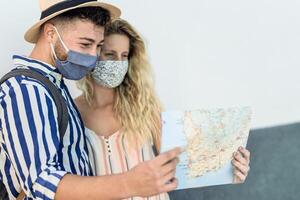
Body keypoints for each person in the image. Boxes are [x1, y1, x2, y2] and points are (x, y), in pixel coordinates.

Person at [0, 1, 181, 200]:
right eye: (85, 44)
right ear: (51, 33)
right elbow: (41, 183)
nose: (93, 56)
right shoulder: (26, 88)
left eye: (98, 46)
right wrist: (130, 183)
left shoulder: (54, 86)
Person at [75, 18, 251, 200]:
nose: (118, 63)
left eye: (124, 55)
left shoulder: (144, 105)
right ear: (93, 53)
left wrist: (231, 170)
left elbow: (181, 167)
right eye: (110, 54)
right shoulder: (72, 111)